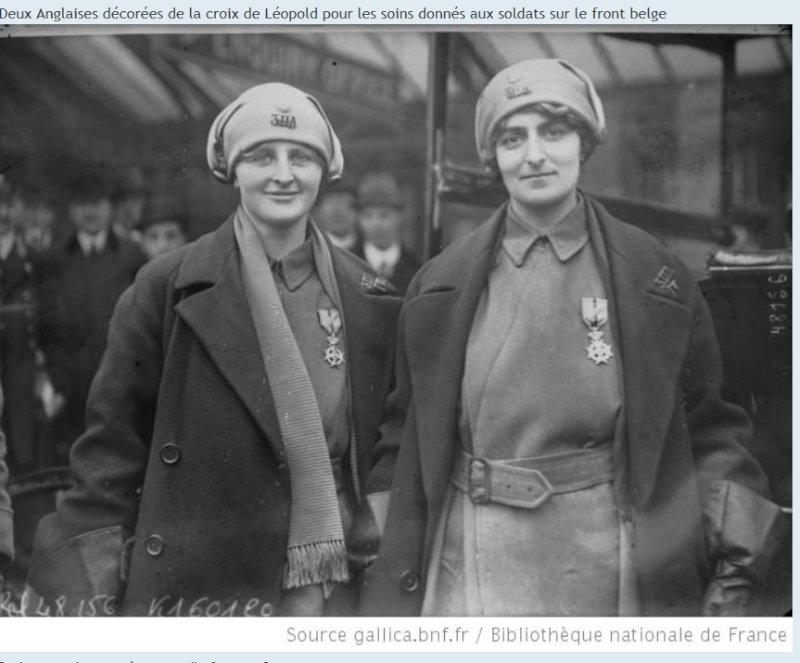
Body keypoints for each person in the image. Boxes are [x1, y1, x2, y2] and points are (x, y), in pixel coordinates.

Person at [358, 59, 786, 617]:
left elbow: (708, 426)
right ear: (493, 157)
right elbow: (403, 438)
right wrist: (380, 564)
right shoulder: (438, 285)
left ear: (582, 143)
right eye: (513, 138)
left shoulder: (653, 278)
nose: (534, 154)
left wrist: (736, 570)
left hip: (606, 563)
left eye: (553, 132)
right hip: (466, 566)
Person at [28, 82, 401, 617]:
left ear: (325, 169)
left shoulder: (371, 297)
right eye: (261, 155)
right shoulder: (167, 286)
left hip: (336, 579)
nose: (283, 173)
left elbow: (391, 438)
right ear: (231, 167)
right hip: (206, 584)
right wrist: (90, 595)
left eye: (301, 156)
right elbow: (112, 448)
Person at [38, 169, 146, 462]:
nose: (91, 211)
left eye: (98, 201)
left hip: (122, 385)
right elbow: (46, 327)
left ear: (110, 207)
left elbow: (145, 323)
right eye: (83, 202)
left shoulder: (133, 255)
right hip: (72, 391)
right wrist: (61, 383)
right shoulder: (53, 259)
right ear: (71, 209)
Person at [355, 173, 421, 297]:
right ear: (359, 220)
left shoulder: (416, 268)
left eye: (384, 215)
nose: (376, 224)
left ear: (399, 217)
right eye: (368, 216)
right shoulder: (346, 266)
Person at [315, 185, 362, 254]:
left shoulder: (369, 249)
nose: (336, 209)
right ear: (318, 212)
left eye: (342, 201)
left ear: (356, 211)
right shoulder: (312, 250)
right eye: (330, 202)